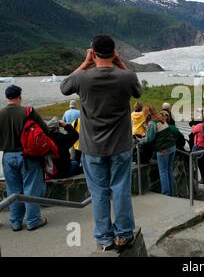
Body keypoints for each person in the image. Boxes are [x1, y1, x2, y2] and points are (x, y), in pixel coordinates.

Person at [60, 35, 142, 252]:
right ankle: (124, 234)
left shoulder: (83, 78)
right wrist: (120, 63)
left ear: (93, 52)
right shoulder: (126, 76)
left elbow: (64, 86)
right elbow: (138, 90)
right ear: (114, 52)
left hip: (92, 148)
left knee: (99, 193)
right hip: (120, 146)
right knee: (121, 190)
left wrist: (85, 63)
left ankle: (104, 239)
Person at [0, 85, 48, 231]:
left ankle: (15, 222)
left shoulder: (0, 113)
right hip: (28, 156)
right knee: (31, 189)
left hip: (7, 156)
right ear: (19, 96)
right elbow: (44, 130)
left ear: (6, 97)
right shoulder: (28, 111)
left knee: (13, 190)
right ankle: (33, 220)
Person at [144, 105, 177, 197]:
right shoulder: (162, 120)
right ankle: (172, 193)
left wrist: (140, 140)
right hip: (172, 147)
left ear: (147, 113)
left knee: (163, 172)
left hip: (163, 150)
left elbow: (149, 139)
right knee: (169, 170)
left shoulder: (152, 123)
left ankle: (166, 194)